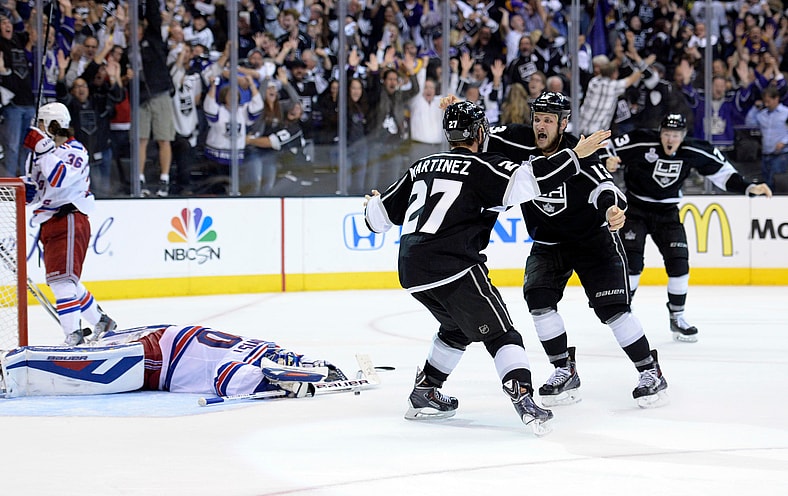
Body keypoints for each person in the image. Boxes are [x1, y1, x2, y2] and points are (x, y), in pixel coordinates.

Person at [364, 100, 610, 432]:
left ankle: (426, 391)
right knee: (502, 335)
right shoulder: (483, 166)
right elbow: (532, 180)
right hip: (454, 265)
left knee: (456, 329)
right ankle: (524, 398)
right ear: (480, 132)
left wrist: (371, 205)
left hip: (411, 269)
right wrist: (575, 155)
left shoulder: (422, 165)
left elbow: (376, 218)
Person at [485, 91, 668, 408]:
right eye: (537, 119)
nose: (541, 126)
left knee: (613, 311)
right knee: (539, 301)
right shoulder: (516, 140)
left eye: (548, 120)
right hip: (547, 242)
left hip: (591, 241)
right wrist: (458, 111)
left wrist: (612, 209)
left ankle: (649, 371)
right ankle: (563, 369)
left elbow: (605, 186)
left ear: (563, 123)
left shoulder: (580, 151)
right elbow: (480, 137)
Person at [603, 113, 773, 342]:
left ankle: (677, 317)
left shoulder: (694, 149)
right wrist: (607, 160)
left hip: (668, 213)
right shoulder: (640, 140)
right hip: (635, 210)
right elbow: (605, 148)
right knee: (632, 264)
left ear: (683, 136)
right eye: (666, 134)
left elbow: (722, 173)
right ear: (660, 133)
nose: (670, 139)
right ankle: (624, 315)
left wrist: (749, 187)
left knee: (679, 263)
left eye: (675, 135)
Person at [0, 324, 347, 398]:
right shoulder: (256, 358)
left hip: (169, 338)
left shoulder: (269, 347)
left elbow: (300, 362)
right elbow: (224, 379)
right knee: (90, 369)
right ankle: (10, 367)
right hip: (161, 355)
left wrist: (318, 370)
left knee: (97, 356)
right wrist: (273, 384)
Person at [22, 102, 116, 346]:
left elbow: (59, 178)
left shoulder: (75, 151)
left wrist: (43, 151)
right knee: (63, 279)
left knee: (62, 282)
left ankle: (73, 335)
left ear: (53, 124)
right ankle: (101, 321)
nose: (37, 128)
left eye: (40, 122)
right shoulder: (40, 154)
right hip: (50, 221)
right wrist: (26, 189)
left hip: (70, 218)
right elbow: (38, 192)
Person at [744, 86, 788, 191]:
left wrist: (784, 142)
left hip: (781, 155)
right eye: (765, 102)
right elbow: (749, 123)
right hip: (766, 154)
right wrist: (755, 108)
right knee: (766, 183)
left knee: (776, 182)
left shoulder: (786, 113)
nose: (767, 104)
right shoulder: (762, 115)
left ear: (776, 98)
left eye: (769, 101)